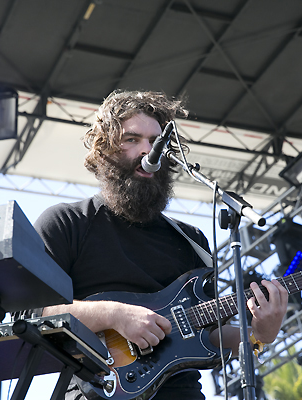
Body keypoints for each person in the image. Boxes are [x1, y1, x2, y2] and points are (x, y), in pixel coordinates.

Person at [34, 90, 288, 399]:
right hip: (96, 391)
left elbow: (208, 336)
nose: (147, 150)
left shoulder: (191, 240)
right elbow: (35, 312)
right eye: (132, 139)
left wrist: (259, 335)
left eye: (156, 142)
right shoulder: (67, 221)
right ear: (104, 151)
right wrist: (115, 315)